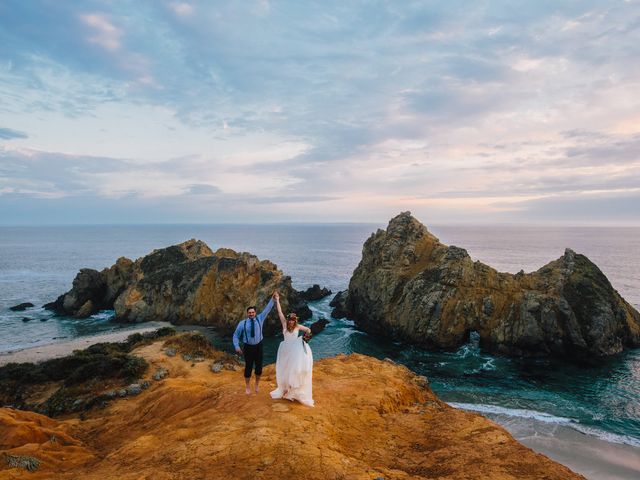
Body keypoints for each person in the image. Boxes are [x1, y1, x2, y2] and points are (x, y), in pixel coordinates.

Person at [270, 291, 314, 407]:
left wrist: (305, 340)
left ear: (295, 321)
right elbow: (279, 312)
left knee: (293, 371)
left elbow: (308, 330)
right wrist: (277, 300)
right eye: (290, 319)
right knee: (284, 370)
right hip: (285, 350)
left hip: (295, 350)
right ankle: (284, 389)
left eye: (293, 320)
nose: (291, 321)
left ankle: (291, 391)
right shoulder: (284, 324)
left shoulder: (298, 327)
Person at [232, 292, 275, 394]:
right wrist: (237, 346)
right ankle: (247, 387)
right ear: (247, 313)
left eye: (253, 312)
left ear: (255, 313)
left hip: (259, 346)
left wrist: (273, 299)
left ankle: (256, 384)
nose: (251, 314)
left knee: (259, 368)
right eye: (249, 312)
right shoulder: (242, 323)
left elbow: (267, 309)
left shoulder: (260, 318)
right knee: (248, 367)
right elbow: (235, 335)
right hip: (248, 347)